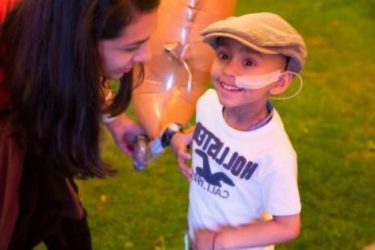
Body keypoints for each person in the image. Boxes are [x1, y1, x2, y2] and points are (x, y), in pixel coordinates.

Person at [0, 0, 160, 249]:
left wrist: (114, 119)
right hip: (15, 139)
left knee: (66, 219)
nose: (146, 56)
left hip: (38, 134)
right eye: (131, 47)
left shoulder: (54, 31)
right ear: (79, 40)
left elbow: (73, 69)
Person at [170, 12, 307, 250]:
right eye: (224, 56)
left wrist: (222, 241)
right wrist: (185, 137)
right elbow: (209, 127)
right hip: (198, 236)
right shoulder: (209, 103)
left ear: (279, 82)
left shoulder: (275, 154)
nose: (229, 70)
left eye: (249, 62)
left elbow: (288, 226)